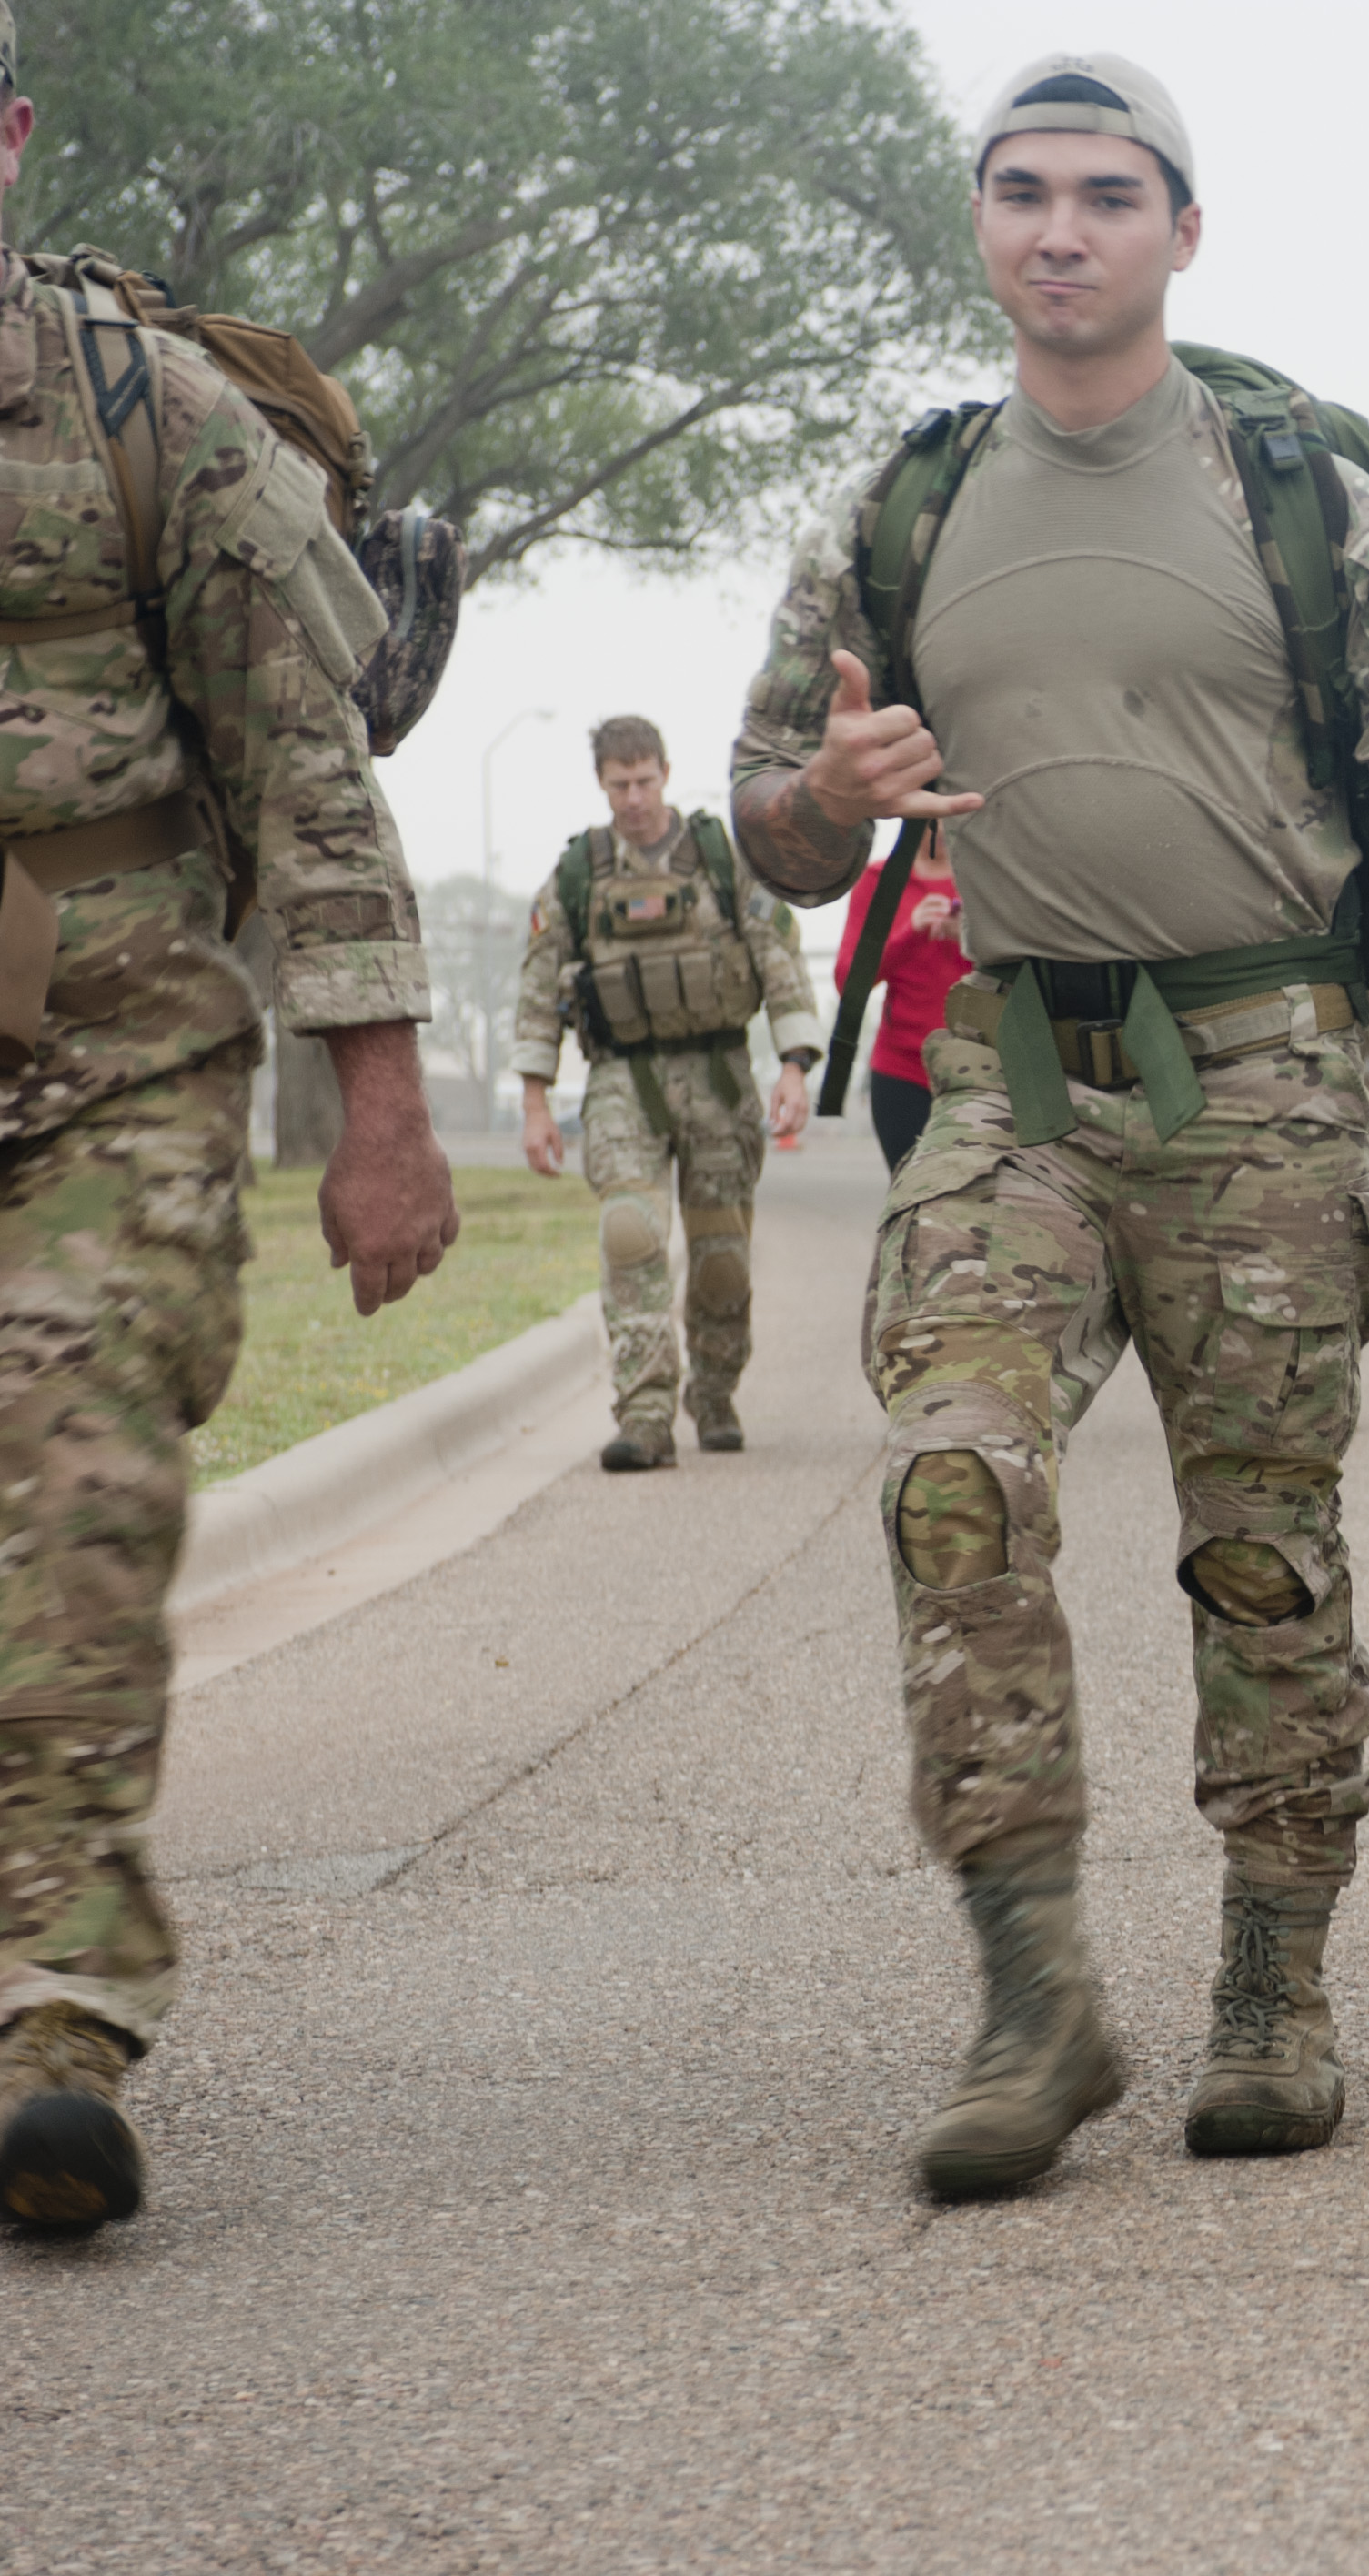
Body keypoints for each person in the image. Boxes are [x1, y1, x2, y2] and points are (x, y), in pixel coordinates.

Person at [728, 53, 1369, 2199]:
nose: (1062, 228)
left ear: (1184, 231)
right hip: (1010, 1075)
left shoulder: (1311, 506)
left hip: (1269, 1069)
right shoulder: (896, 511)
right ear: (984, 226)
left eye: (1108, 193)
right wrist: (832, 795)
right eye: (1023, 192)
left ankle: (1276, 1983)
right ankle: (1034, 1989)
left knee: (1259, 1546)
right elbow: (776, 829)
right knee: (952, 1478)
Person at [0, 0, 460, 2234]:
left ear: (5, 140)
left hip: (120, 1057)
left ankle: (59, 2015)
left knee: (75, 1480)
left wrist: (380, 1100)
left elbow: (306, 764)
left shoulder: (137, 410)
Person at [516, 716, 822, 1468]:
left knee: (722, 1256)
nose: (633, 797)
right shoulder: (580, 874)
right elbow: (536, 984)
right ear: (602, 783)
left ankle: (714, 1393)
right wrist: (533, 1099)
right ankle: (645, 1414)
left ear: (665, 771)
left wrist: (792, 1064)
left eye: (645, 780)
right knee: (631, 1232)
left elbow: (777, 957)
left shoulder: (720, 858)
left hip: (718, 1076)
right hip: (624, 1076)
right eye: (619, 784)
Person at [837, 822, 971, 1173]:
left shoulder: (987, 877)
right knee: (912, 1198)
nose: (941, 827)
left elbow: (1020, 970)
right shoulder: (879, 880)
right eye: (930, 813)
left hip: (981, 1071)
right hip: (903, 1072)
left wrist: (971, 939)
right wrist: (908, 933)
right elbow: (848, 981)